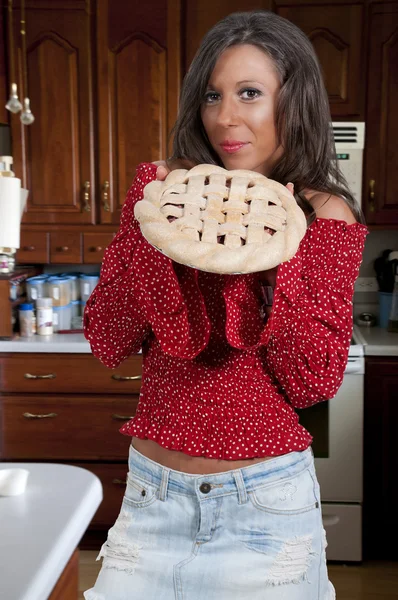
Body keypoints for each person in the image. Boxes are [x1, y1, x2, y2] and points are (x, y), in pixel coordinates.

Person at [83, 10, 367, 600]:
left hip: (264, 508)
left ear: (295, 102)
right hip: (150, 503)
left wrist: (272, 250)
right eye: (212, 95)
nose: (224, 117)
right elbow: (108, 338)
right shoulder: (166, 197)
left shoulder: (326, 218)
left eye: (249, 93)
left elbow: (313, 379)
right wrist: (151, 224)